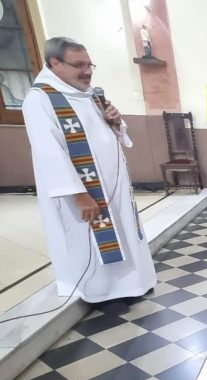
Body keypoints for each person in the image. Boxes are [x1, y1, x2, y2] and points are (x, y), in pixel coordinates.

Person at [22, 37, 156, 303]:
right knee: (93, 240)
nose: (87, 71)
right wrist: (79, 194)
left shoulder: (91, 94)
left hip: (114, 187)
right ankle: (104, 291)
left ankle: (134, 283)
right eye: (78, 65)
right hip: (83, 191)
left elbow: (108, 135)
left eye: (89, 65)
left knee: (126, 232)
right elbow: (49, 152)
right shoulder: (40, 100)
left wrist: (115, 122)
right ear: (54, 63)